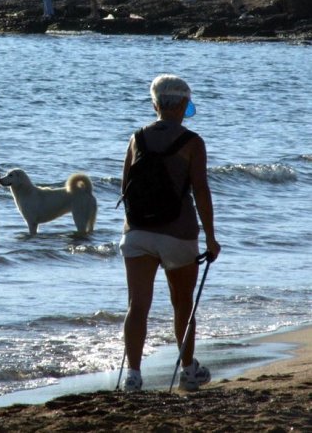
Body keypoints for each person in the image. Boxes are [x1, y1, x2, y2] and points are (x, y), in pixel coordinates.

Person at [118, 74, 220, 392]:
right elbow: (201, 192)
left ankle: (133, 376)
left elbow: (125, 189)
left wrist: (139, 225)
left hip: (137, 233)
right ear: (185, 105)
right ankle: (188, 371)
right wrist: (211, 238)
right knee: (182, 305)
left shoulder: (137, 138)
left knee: (137, 305)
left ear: (155, 104)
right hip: (179, 234)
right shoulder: (192, 142)